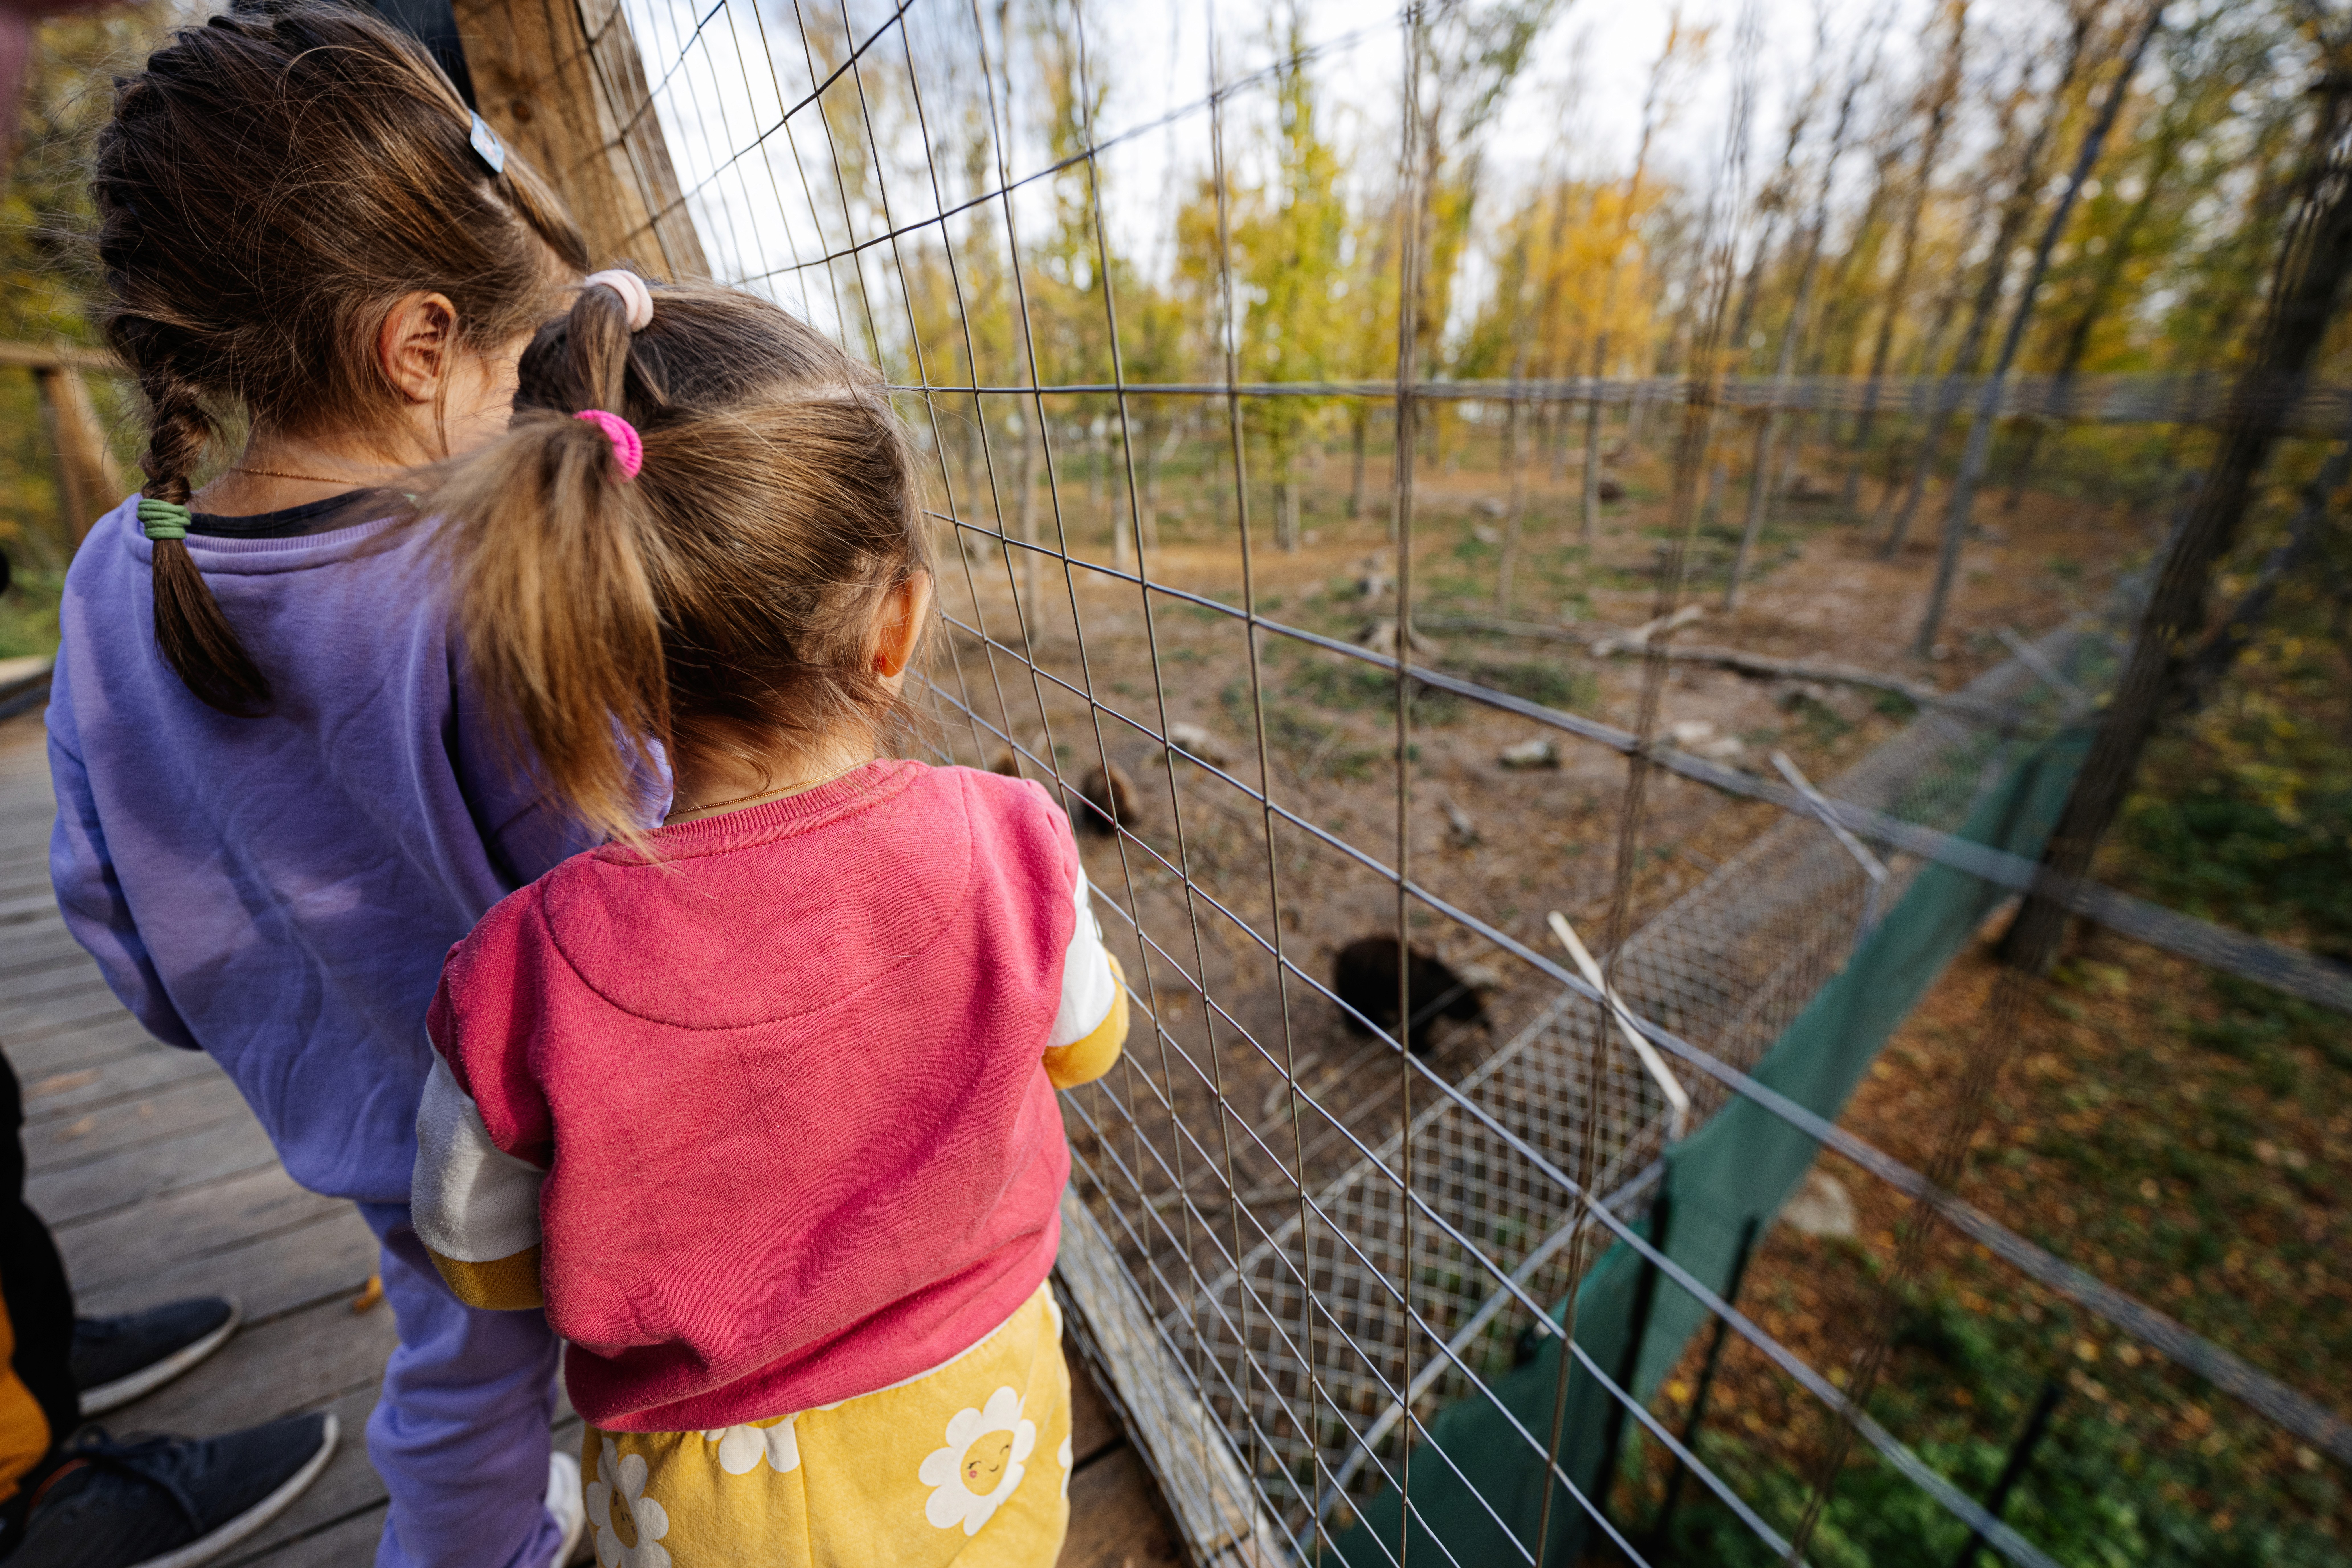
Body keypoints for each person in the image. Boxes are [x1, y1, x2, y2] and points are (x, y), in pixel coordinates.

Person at [405, 275, 1129, 1564]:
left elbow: (476, 1252)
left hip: (700, 1503)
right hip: (982, 1425)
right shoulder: (1013, 841)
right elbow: (1087, 1039)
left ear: (599, 653)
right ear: (895, 628)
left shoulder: (518, 971)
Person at [44, 6, 602, 1565]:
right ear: (419, 344)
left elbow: (109, 910)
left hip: (361, 1110)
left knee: (465, 1367)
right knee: (644, 1336)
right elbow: (605, 858)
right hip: (568, 1116)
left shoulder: (116, 569)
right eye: (504, 366)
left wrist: (282, 1024)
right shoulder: (473, 580)